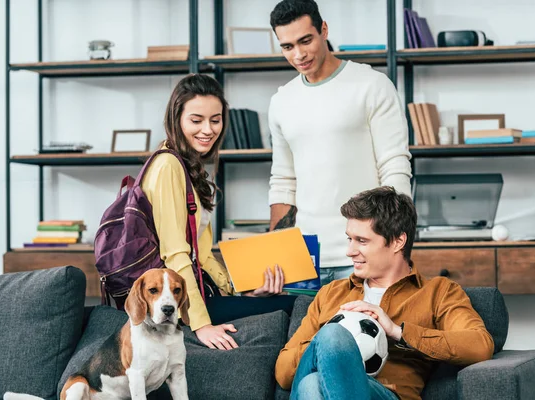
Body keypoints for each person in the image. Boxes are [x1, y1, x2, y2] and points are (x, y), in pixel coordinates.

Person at [275, 186, 495, 400]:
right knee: (324, 355)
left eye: (362, 241)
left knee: (312, 385)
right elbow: (284, 374)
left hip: (387, 394)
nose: (350, 251)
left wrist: (397, 331)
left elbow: (479, 345)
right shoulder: (331, 293)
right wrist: (325, 341)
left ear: (398, 241)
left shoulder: (438, 292)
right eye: (349, 239)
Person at [141, 73, 296, 351]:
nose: (208, 130)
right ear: (176, 119)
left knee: (286, 299)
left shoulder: (187, 166)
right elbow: (176, 254)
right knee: (297, 304)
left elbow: (201, 254)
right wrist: (201, 324)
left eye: (215, 119)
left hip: (201, 291)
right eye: (196, 120)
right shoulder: (168, 167)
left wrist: (243, 291)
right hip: (179, 299)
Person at [267, 0, 413, 285]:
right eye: (287, 47)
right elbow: (283, 180)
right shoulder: (281, 101)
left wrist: (398, 246)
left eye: (305, 40)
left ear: (323, 29)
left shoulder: (372, 85)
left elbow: (394, 166)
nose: (298, 54)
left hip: (367, 256)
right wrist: (277, 251)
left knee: (368, 330)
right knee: (304, 332)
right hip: (304, 260)